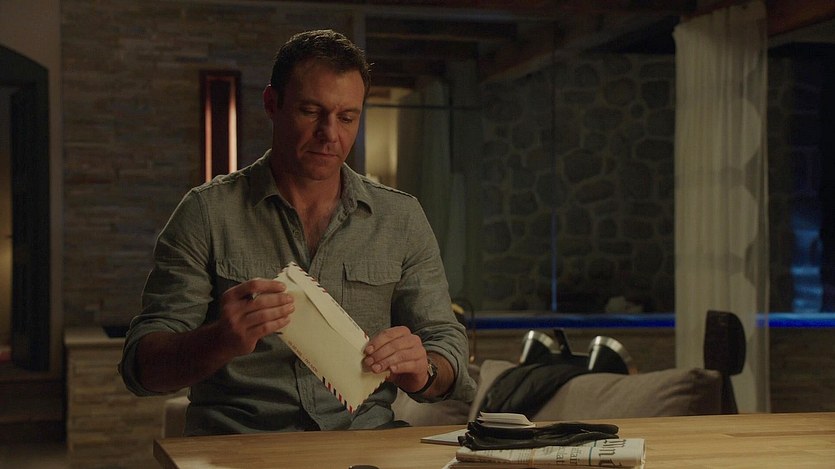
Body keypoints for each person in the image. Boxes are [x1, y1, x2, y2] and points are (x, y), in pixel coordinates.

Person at [119, 29, 475, 435]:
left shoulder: (400, 217)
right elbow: (141, 370)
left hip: (363, 444)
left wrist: (425, 371)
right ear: (272, 104)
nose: (330, 134)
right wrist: (219, 339)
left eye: (347, 117)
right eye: (311, 111)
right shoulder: (206, 213)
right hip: (242, 445)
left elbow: (448, 350)